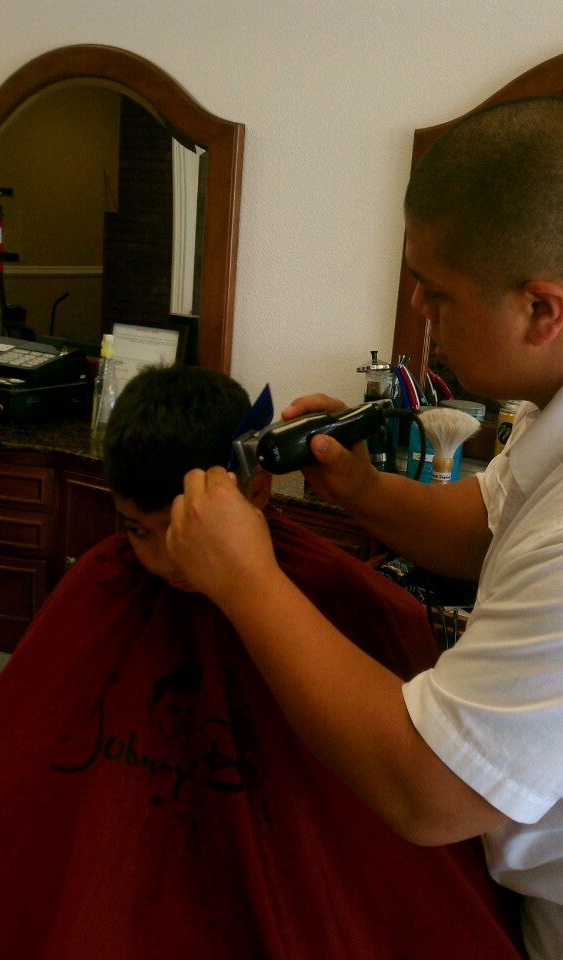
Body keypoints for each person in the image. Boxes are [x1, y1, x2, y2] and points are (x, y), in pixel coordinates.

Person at [165, 96, 563, 960]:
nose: (420, 310)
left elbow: (428, 790)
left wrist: (248, 581)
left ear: (543, 310)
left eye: (438, 291)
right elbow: (488, 526)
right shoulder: (546, 412)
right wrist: (358, 488)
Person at [0, 364, 524, 959]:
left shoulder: (348, 599)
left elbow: (402, 814)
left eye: (188, 528)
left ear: (257, 490)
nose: (172, 559)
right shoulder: (100, 588)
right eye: (140, 533)